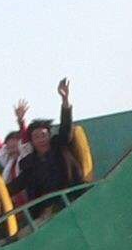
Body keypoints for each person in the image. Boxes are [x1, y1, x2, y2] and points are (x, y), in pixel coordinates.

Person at [13, 78, 84, 206]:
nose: (41, 140)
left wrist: (65, 100)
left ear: (49, 136)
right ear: (32, 141)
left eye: (44, 135)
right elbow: (17, 185)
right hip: (48, 207)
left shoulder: (59, 145)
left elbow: (66, 127)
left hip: (73, 197)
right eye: (36, 137)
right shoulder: (29, 163)